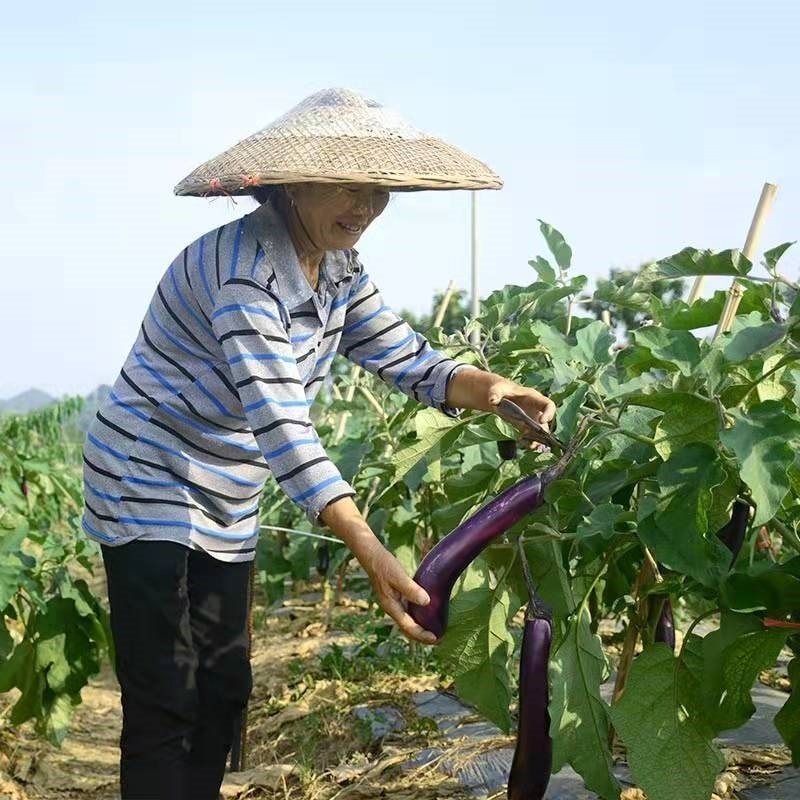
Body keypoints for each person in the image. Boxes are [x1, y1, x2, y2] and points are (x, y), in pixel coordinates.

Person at [82, 88, 556, 800]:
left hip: (226, 488)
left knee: (225, 684)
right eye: (346, 187)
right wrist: (368, 547)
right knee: (168, 692)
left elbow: (410, 360)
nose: (364, 206)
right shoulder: (246, 274)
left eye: (379, 190)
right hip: (145, 473)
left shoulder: (338, 268)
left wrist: (488, 389)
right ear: (293, 183)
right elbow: (282, 424)